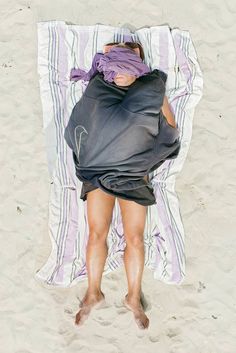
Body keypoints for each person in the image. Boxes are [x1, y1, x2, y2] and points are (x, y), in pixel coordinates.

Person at [69, 42, 177, 329]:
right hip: (99, 171)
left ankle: (132, 296)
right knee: (96, 233)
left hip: (132, 174)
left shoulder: (150, 88)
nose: (118, 74)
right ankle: (94, 292)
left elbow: (170, 125)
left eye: (126, 68)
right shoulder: (99, 86)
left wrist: (151, 86)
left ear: (138, 71)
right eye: (113, 67)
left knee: (135, 238)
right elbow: (84, 122)